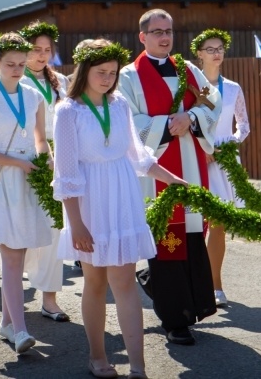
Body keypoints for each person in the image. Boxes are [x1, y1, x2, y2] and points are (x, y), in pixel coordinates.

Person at [55, 39, 186, 379]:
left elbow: (138, 155)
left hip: (122, 197)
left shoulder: (120, 104)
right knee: (95, 282)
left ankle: (138, 367)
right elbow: (66, 174)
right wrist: (76, 224)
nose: (108, 79)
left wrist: (171, 178)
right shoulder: (68, 111)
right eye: (101, 72)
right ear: (84, 71)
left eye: (113, 73)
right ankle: (97, 357)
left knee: (125, 281)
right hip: (89, 202)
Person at [117, 8, 221, 346]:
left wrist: (190, 118)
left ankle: (192, 304)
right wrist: (166, 125)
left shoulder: (188, 69)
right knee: (166, 240)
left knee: (191, 236)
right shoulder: (129, 76)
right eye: (158, 32)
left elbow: (213, 101)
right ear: (142, 36)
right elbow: (128, 121)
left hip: (190, 164)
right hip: (156, 171)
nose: (165, 37)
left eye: (169, 31)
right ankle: (175, 320)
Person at [0, 32, 52, 354]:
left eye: (21, 64)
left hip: (27, 177)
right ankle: (20, 330)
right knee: (11, 254)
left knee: (19, 252)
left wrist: (46, 161)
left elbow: (40, 140)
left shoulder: (33, 96)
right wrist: (19, 163)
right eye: (10, 64)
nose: (17, 70)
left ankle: (7, 323)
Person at [191, 29, 250, 308]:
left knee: (218, 224)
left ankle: (215, 285)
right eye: (210, 49)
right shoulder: (193, 87)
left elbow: (243, 126)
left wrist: (230, 145)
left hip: (224, 161)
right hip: (198, 158)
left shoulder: (234, 88)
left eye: (220, 48)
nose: (216, 53)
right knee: (194, 223)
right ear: (199, 54)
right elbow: (187, 122)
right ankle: (193, 282)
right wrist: (203, 147)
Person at [18, 21, 70, 321]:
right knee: (25, 228)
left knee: (54, 228)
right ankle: (17, 287)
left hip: (57, 159)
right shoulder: (14, 81)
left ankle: (49, 298)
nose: (41, 55)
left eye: (47, 50)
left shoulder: (60, 81)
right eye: (36, 49)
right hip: (26, 159)